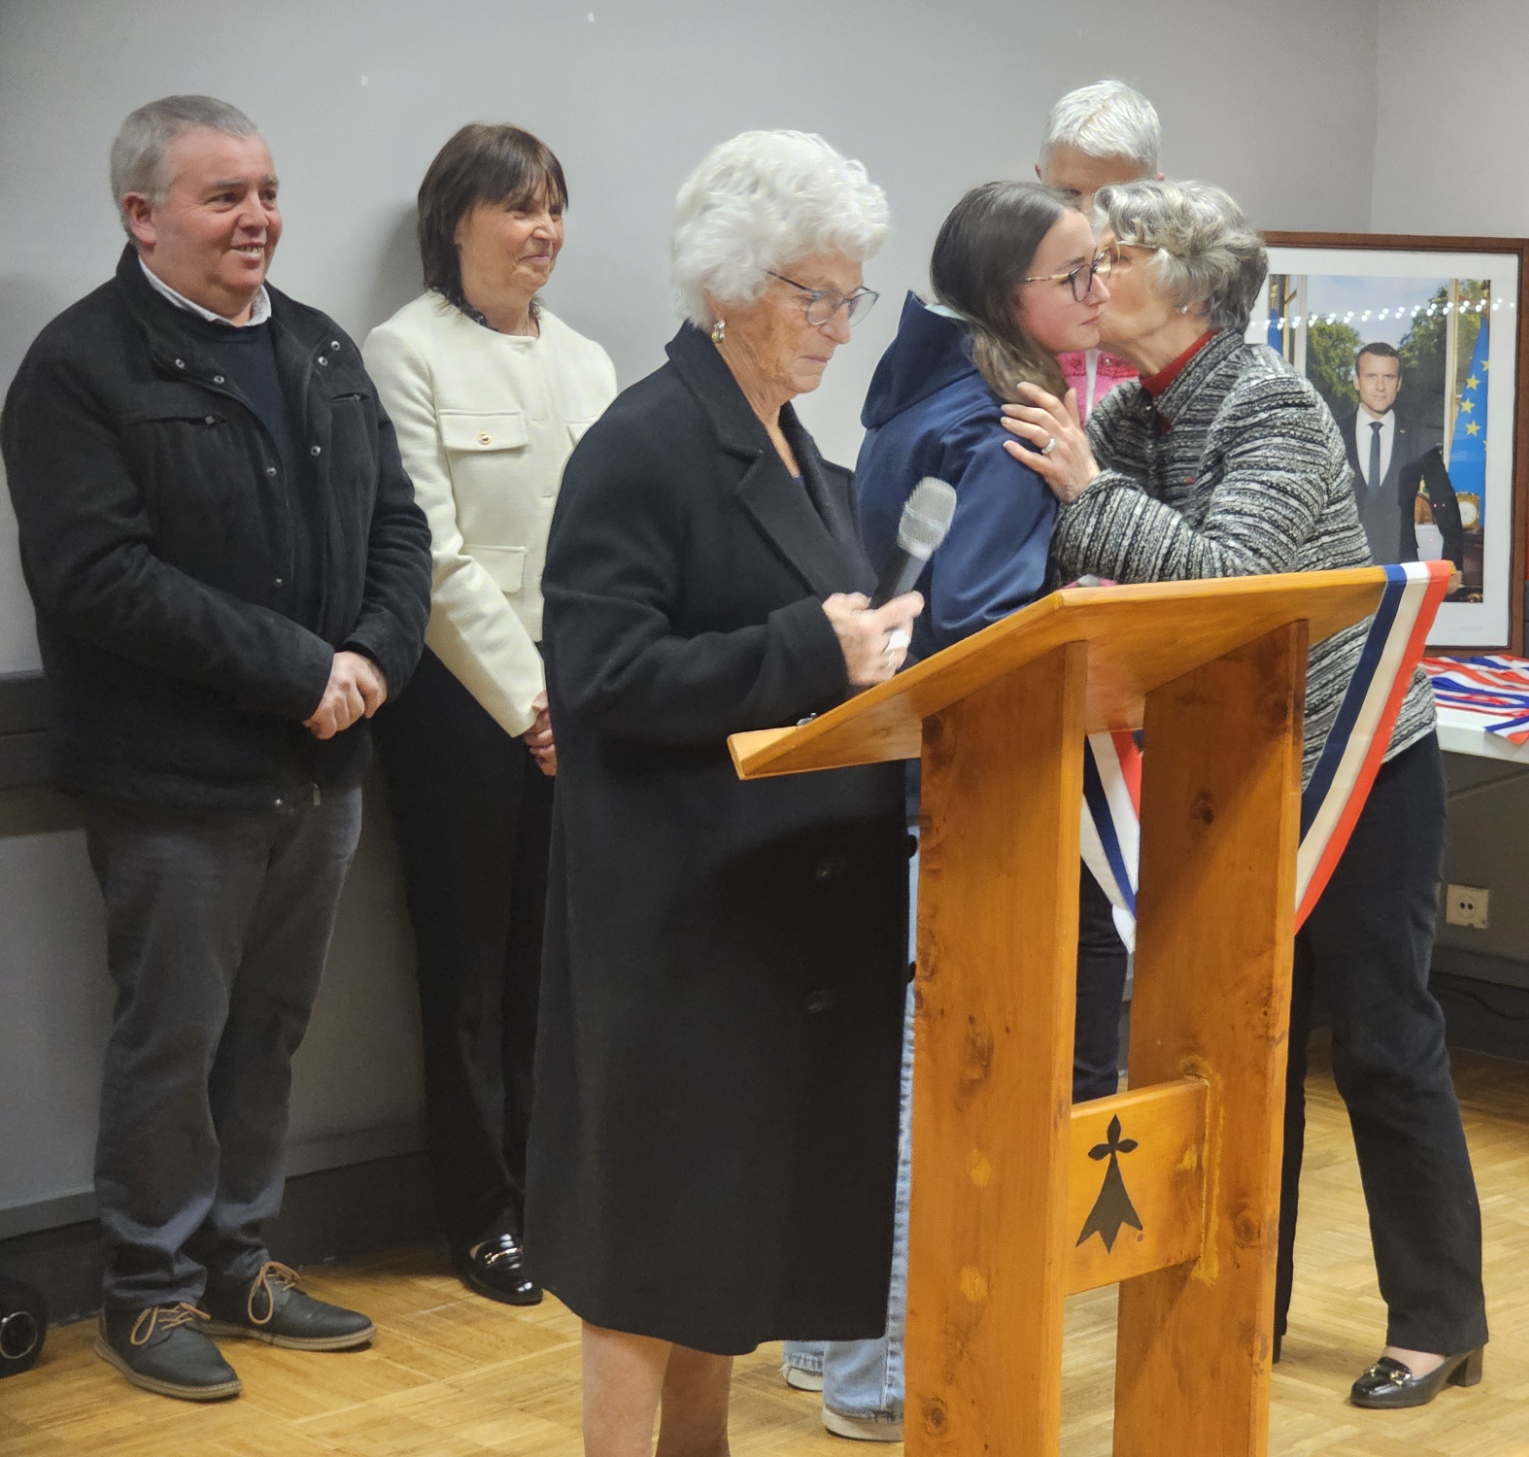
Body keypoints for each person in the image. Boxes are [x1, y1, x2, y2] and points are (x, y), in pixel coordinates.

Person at [1001, 178, 1490, 1411]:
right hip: (1229, 765)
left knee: (1381, 1041)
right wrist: (1086, 503)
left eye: (1120, 252)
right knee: (1236, 1047)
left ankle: (1437, 1320)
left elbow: (1229, 581)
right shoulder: (1122, 415)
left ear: (1191, 280)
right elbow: (1082, 564)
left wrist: (1084, 497)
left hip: (1359, 761)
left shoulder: (1272, 403)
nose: (1095, 270)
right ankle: (1237, 1305)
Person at [0, 95, 431, 1401]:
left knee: (270, 1033)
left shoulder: (317, 347)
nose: (257, 217)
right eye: (221, 196)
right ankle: (147, 1291)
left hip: (323, 767)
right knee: (169, 1043)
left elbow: (400, 528)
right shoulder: (79, 368)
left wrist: (368, 662)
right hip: (175, 782)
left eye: (265, 189)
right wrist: (302, 670)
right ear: (141, 214)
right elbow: (97, 580)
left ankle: (243, 1259)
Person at [525, 130, 920, 1457]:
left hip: (776, 915)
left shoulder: (792, 442)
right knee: (653, 1249)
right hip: (677, 916)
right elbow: (599, 673)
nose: (838, 325)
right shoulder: (645, 442)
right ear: (733, 287)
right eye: (816, 295)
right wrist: (817, 652)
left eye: (846, 296)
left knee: (719, 1250)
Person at [781, 180, 1119, 1440]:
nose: (1097, 292)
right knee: (930, 1088)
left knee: (875, 1073)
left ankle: (825, 1348)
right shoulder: (1003, 425)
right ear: (1004, 297)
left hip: (886, 785)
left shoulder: (919, 386)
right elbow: (973, 626)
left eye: (1100, 268)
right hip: (958, 793)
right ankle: (876, 1383)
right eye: (1073, 274)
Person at [362, 124, 617, 1308]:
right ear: (452, 219)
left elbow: (606, 550)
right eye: (517, 207)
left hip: (582, 702)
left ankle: (554, 1189)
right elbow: (434, 556)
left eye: (553, 207)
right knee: (469, 970)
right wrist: (530, 702)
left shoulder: (588, 362)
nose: (542, 230)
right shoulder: (402, 353)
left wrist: (583, 696)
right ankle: (481, 1213)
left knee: (553, 969)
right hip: (467, 713)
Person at [1036, 80, 1160, 419]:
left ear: (1155, 192)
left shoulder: (1183, 308)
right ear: (1038, 182)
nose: (1089, 217)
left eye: (1111, 198)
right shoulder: (1008, 299)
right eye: (1069, 195)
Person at [1343, 341, 1463, 566]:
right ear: (1357, 381)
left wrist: (1452, 564)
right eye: (1371, 376)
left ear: (1398, 384)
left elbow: (1444, 501)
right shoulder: (1335, 436)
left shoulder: (1419, 437)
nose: (1380, 386)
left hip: (1401, 569)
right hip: (1344, 571)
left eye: (1388, 377)